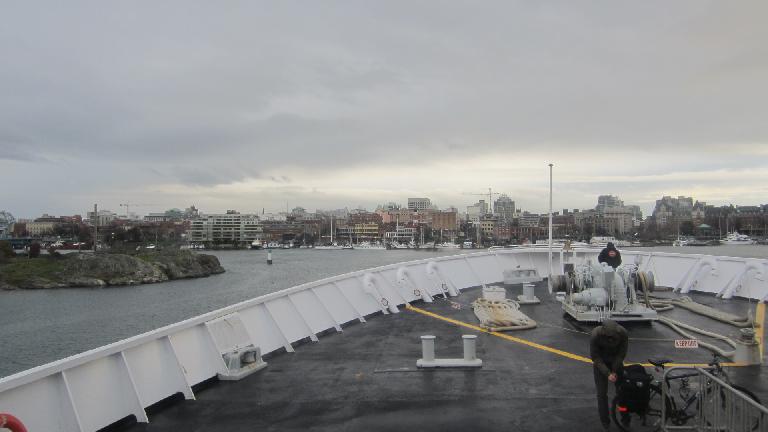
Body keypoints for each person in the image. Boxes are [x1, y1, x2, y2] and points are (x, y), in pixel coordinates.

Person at [590, 319, 629, 430]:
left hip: (616, 362)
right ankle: (605, 421)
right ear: (603, 333)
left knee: (622, 392)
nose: (611, 340)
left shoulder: (623, 333)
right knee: (602, 394)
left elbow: (621, 354)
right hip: (600, 364)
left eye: (613, 337)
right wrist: (607, 373)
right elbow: (596, 358)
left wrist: (614, 370)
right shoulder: (595, 335)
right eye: (608, 337)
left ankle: (625, 417)